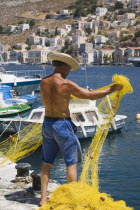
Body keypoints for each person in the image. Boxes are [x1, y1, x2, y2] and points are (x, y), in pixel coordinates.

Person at [39, 53, 122, 206]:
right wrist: (112, 89)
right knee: (71, 163)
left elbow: (52, 98)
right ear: (64, 67)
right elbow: (90, 96)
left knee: (46, 164)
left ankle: (43, 198)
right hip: (62, 125)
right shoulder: (66, 84)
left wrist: (65, 98)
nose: (69, 71)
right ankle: (72, 199)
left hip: (47, 124)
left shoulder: (43, 82)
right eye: (69, 68)